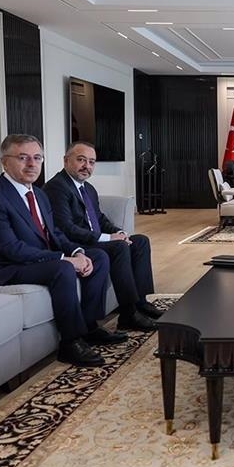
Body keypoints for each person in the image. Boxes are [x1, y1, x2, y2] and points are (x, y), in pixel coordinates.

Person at [0, 134, 119, 367]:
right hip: (1, 266)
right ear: (4, 162)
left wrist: (77, 252)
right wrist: (64, 258)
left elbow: (54, 233)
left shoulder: (38, 194)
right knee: (62, 269)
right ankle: (70, 343)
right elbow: (12, 249)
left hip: (31, 258)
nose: (31, 164)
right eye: (23, 157)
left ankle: (88, 327)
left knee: (97, 256)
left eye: (37, 158)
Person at [44, 141, 162, 333]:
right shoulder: (57, 187)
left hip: (93, 240)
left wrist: (119, 233)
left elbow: (99, 218)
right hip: (76, 245)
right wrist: (108, 238)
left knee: (140, 241)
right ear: (66, 161)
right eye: (81, 160)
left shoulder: (88, 188)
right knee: (118, 247)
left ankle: (141, 302)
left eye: (91, 162)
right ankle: (128, 314)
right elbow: (65, 228)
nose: (87, 166)